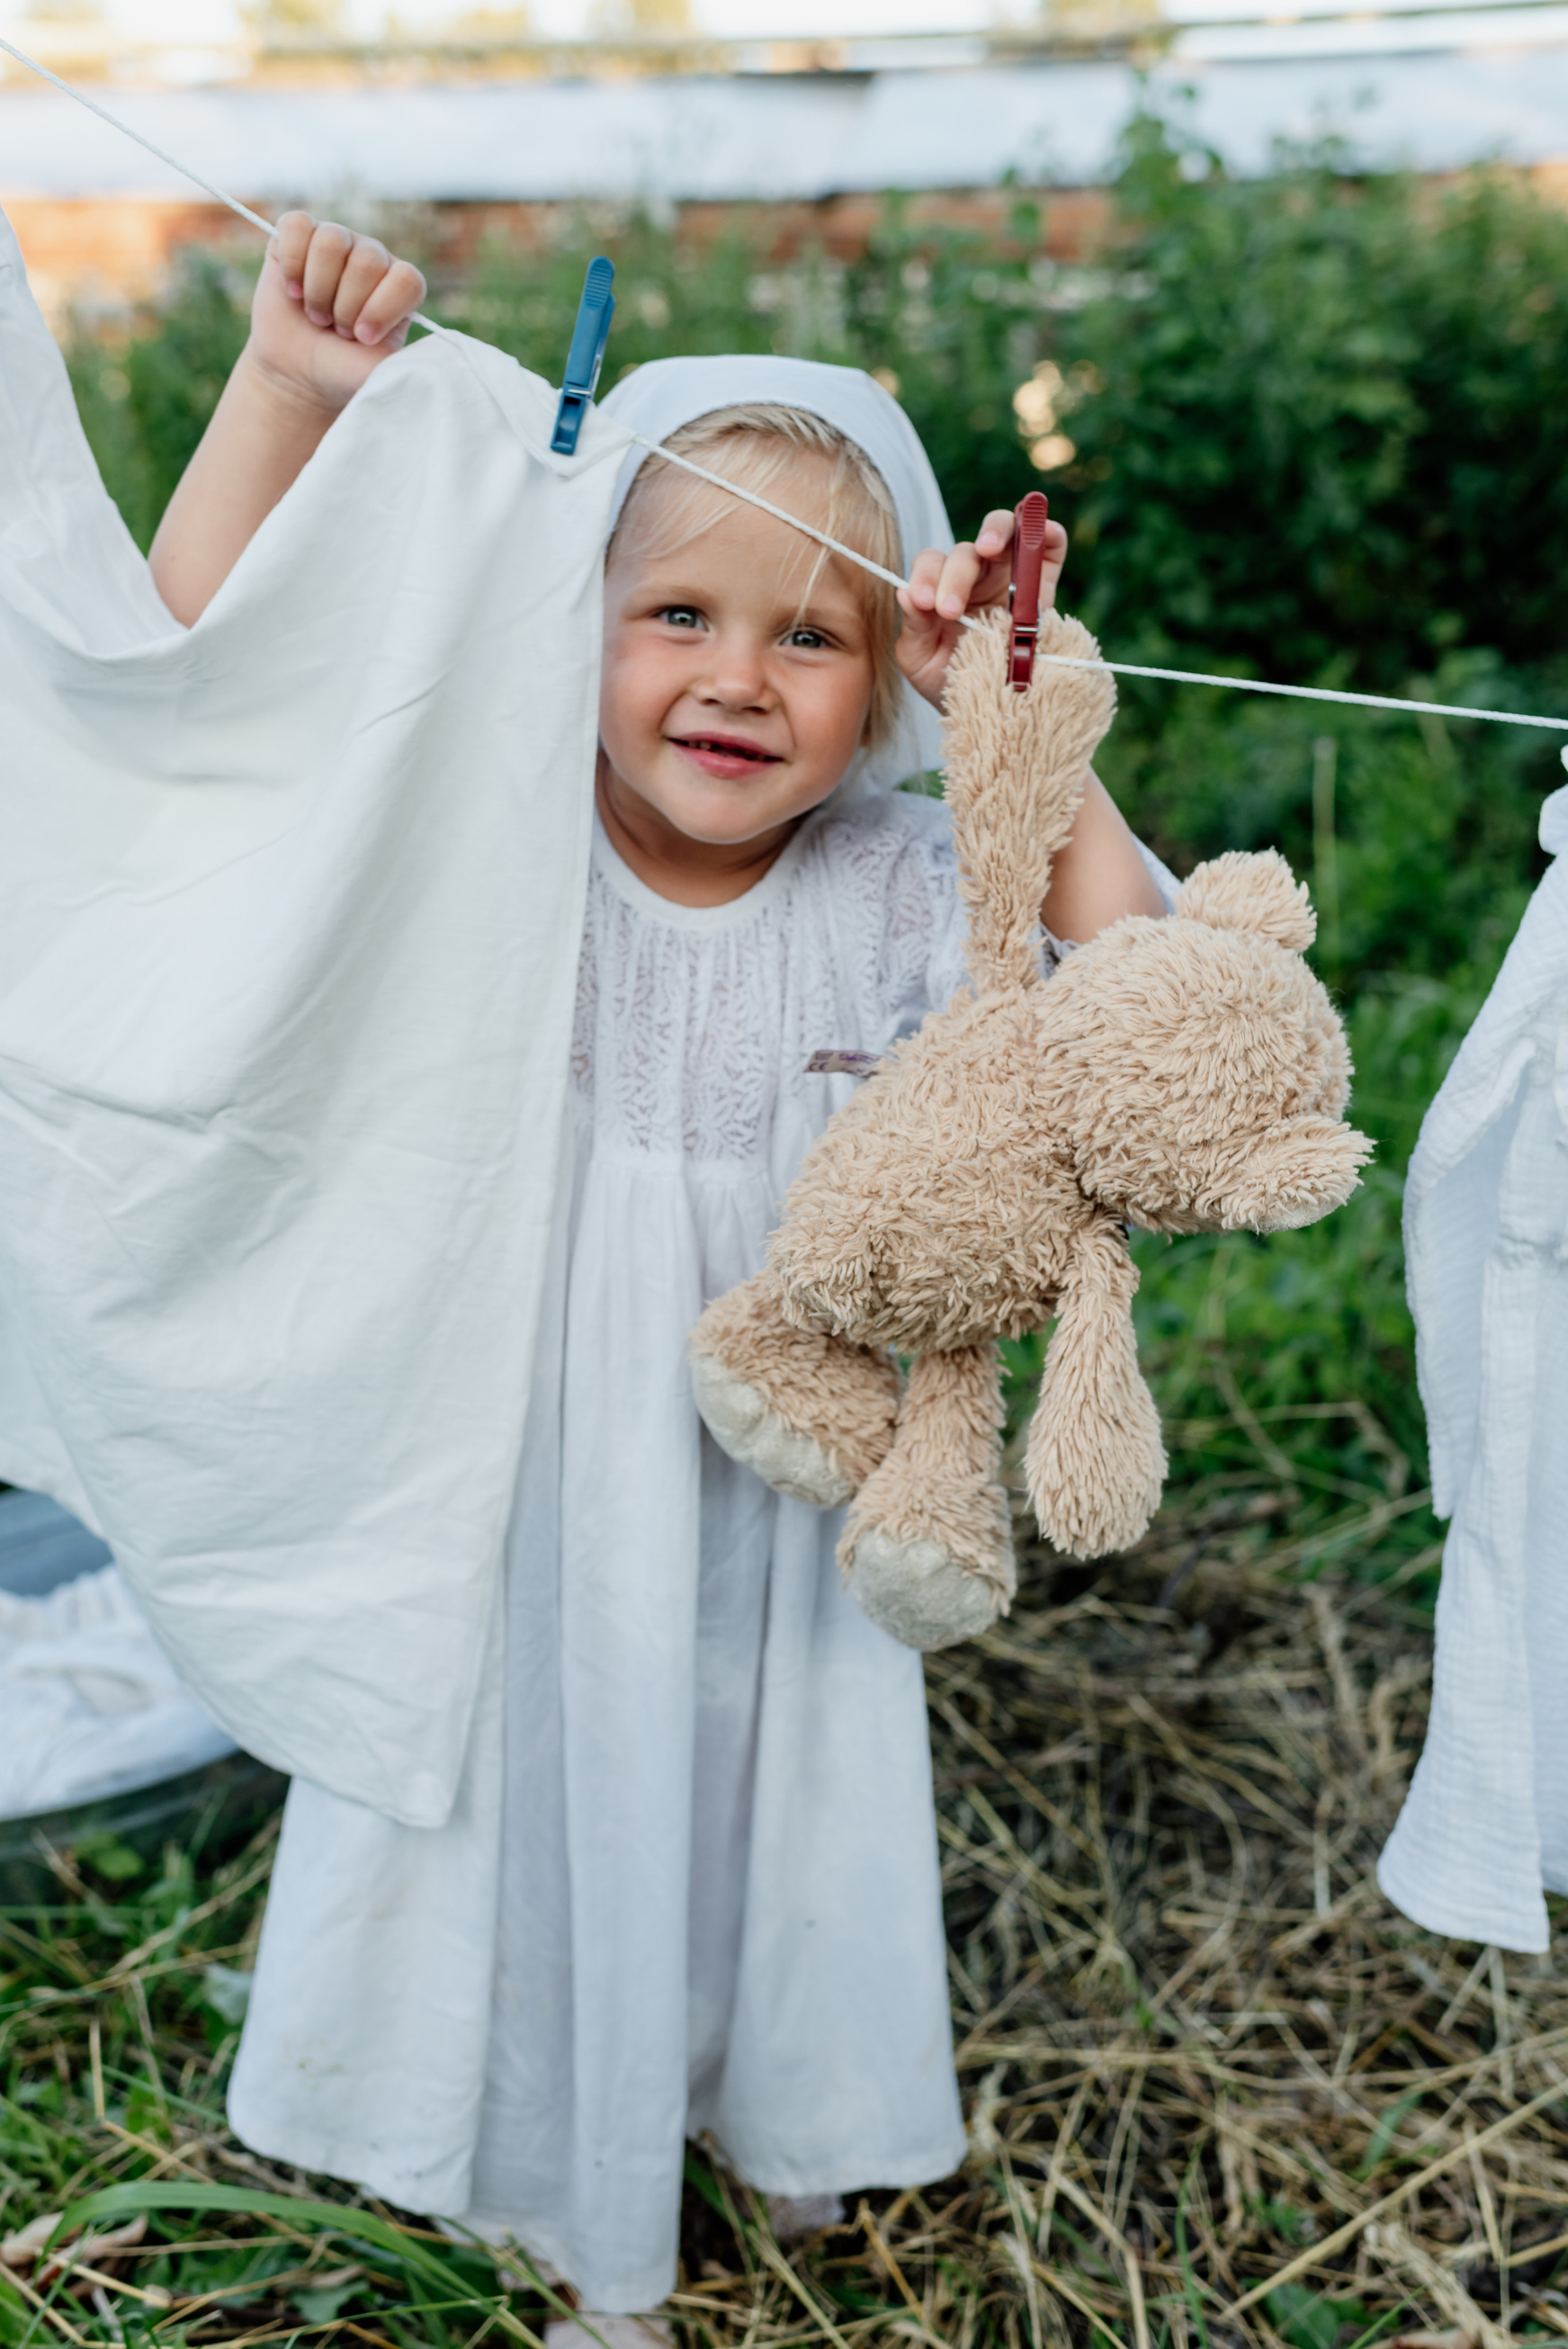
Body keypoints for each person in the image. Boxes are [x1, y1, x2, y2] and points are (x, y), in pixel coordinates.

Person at [148, 214, 1169, 2345]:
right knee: (527, 1757)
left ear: (879, 681)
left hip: (785, 1461)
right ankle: (521, 2149)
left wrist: (1015, 727)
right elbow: (210, 702)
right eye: (678, 612)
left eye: (813, 635)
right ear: (576, 617)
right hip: (511, 1444)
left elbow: (1142, 991)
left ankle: (763, 2083)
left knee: (756, 1767)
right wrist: (284, 395)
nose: (736, 678)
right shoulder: (498, 826)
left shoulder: (896, 880)